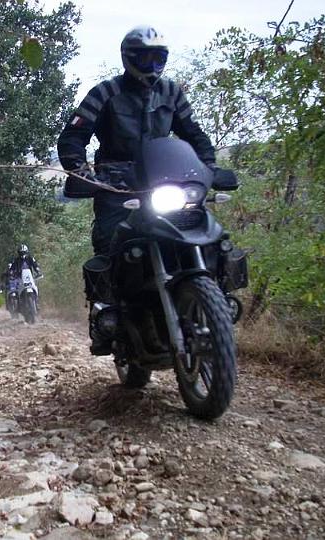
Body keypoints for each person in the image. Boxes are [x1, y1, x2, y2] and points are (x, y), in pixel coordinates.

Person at [57, 25, 219, 354]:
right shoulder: (105, 93)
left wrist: (210, 167)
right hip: (117, 187)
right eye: (144, 58)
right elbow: (73, 137)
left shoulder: (171, 93)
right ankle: (107, 318)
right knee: (109, 244)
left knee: (208, 232)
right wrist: (81, 171)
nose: (152, 65)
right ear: (129, 58)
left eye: (158, 58)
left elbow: (195, 134)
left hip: (164, 181)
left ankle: (215, 296)